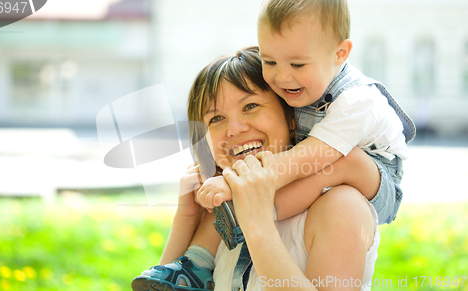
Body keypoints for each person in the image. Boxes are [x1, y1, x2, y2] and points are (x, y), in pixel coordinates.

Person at [132, 46, 379, 291]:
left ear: (292, 116)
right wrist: (186, 219)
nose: (235, 128)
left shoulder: (341, 206)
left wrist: (257, 223)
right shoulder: (218, 216)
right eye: (216, 118)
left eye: (250, 106)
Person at [198, 0, 415, 227]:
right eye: (269, 61)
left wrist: (236, 183)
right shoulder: (303, 85)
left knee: (343, 161)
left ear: (340, 54)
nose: (282, 77)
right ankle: (247, 210)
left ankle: (257, 213)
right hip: (320, 162)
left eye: (297, 65)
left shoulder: (357, 100)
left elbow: (303, 159)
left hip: (380, 183)